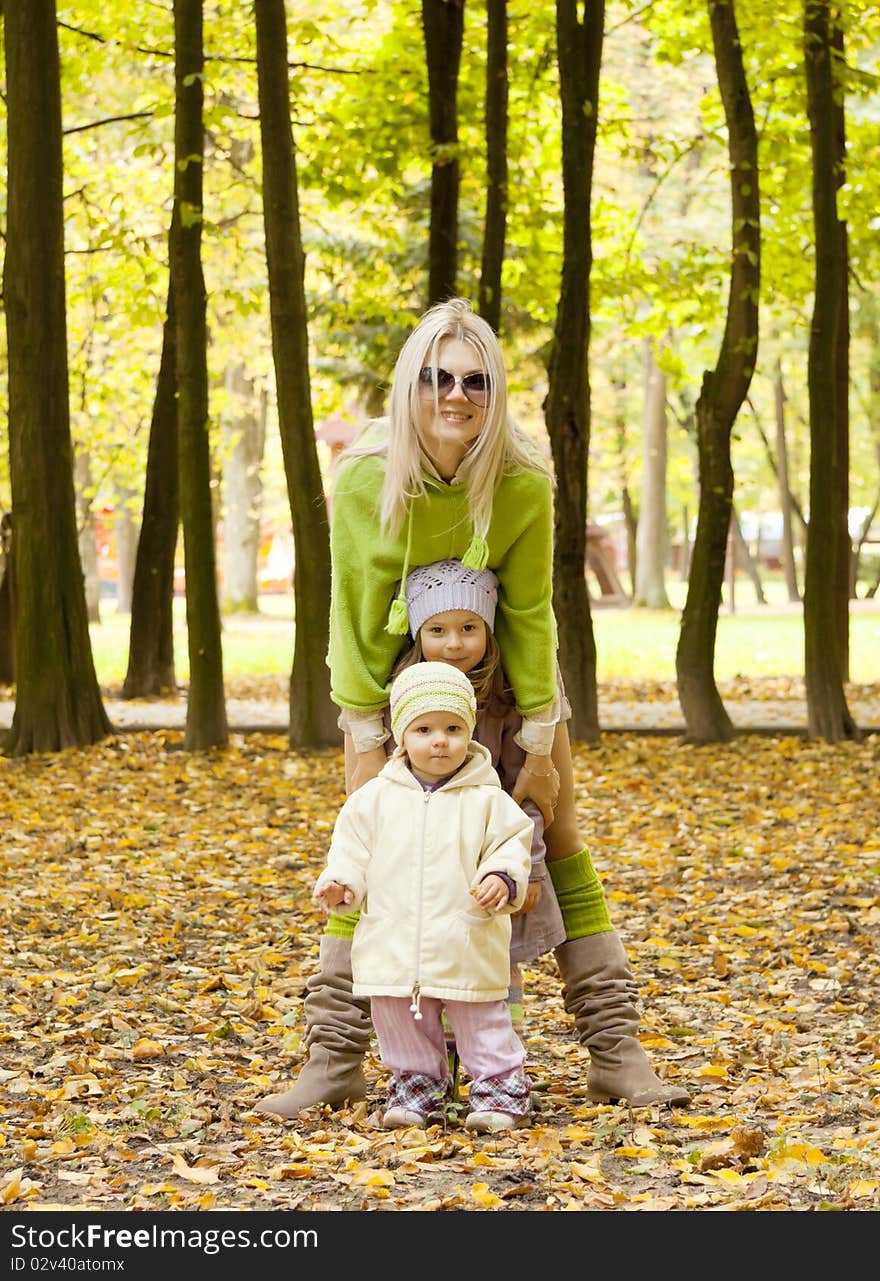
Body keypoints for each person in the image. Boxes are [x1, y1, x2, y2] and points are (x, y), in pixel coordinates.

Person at [257, 297, 690, 1118]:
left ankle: (614, 1049)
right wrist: (361, 735)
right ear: (410, 385)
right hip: (399, 690)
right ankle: (337, 1055)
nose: (454, 395)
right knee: (371, 845)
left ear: (494, 392)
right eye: (436, 377)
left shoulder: (521, 479)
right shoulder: (364, 480)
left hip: (509, 682)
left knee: (553, 840)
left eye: (475, 380)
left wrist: (536, 745)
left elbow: (530, 616)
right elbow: (353, 617)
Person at [312, 661, 534, 1133]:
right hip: (392, 938)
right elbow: (351, 852)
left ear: (470, 734)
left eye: (453, 728)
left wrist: (502, 877)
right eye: (424, 729)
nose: (439, 740)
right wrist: (341, 883)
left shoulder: (489, 801)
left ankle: (498, 1087)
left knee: (480, 1014)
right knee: (398, 1016)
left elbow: (512, 846)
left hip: (465, 936)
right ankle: (417, 1085)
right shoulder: (373, 800)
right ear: (401, 735)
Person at [389, 558, 566, 1041]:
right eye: (437, 629)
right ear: (416, 634)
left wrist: (526, 865)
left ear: (489, 629)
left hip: (489, 855)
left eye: (469, 627)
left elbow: (520, 794)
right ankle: (437, 1063)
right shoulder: (404, 699)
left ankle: (497, 1060)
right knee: (429, 961)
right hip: (426, 857)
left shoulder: (505, 703)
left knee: (493, 958)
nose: (453, 643)